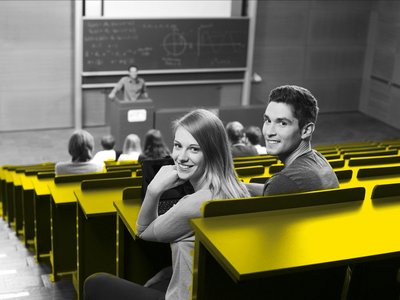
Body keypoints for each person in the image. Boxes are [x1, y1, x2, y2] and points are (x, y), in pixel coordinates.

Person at [83, 109, 250, 300]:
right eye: (178, 146)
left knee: (95, 282)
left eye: (194, 149)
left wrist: (154, 189)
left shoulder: (194, 205)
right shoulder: (239, 190)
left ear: (213, 152)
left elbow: (143, 230)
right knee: (160, 274)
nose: (181, 157)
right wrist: (169, 272)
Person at [246, 85, 339, 196]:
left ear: (306, 130)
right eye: (268, 120)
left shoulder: (285, 181)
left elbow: (280, 186)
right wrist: (235, 185)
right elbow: (275, 189)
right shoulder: (317, 159)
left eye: (283, 123)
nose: (269, 132)